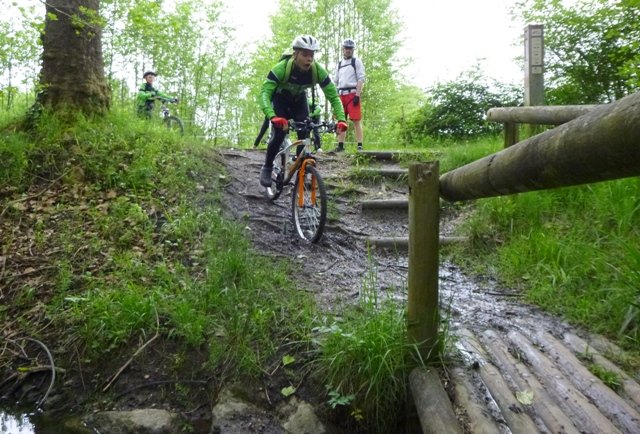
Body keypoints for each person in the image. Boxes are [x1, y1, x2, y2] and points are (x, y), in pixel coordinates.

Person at [258, 35, 347, 187]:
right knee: (279, 133)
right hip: (280, 100)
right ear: (295, 54)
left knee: (305, 132)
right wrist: (273, 116)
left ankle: (300, 170)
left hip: (299, 100)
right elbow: (265, 93)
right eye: (305, 55)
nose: (309, 59)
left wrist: (341, 119)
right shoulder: (281, 68)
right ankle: (267, 166)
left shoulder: (317, 71)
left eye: (311, 55)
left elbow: (333, 96)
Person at [333, 38, 365, 151]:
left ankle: (360, 145)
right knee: (341, 121)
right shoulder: (339, 64)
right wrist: (334, 96)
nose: (348, 50)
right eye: (346, 48)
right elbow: (335, 81)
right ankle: (340, 145)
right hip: (341, 94)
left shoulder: (356, 62)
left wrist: (357, 94)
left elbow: (361, 78)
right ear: (343, 49)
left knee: (356, 120)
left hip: (352, 94)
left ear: (353, 50)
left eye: (350, 48)